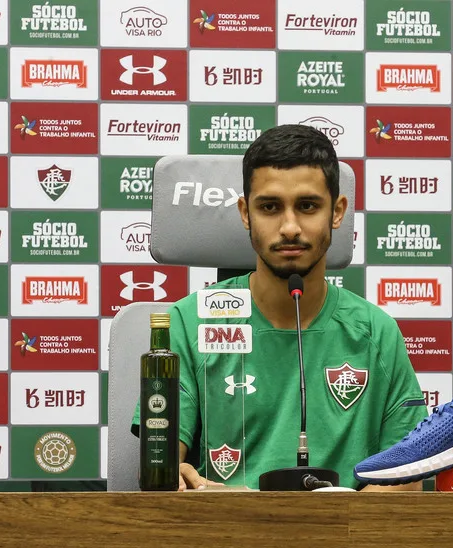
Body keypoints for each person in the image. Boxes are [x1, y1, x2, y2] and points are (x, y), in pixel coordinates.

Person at [131, 124, 428, 491]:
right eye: (270, 207)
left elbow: (407, 481)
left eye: (307, 206)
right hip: (224, 538)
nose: (289, 227)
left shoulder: (376, 331)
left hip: (342, 541)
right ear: (245, 213)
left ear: (337, 212)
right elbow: (161, 473)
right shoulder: (188, 324)